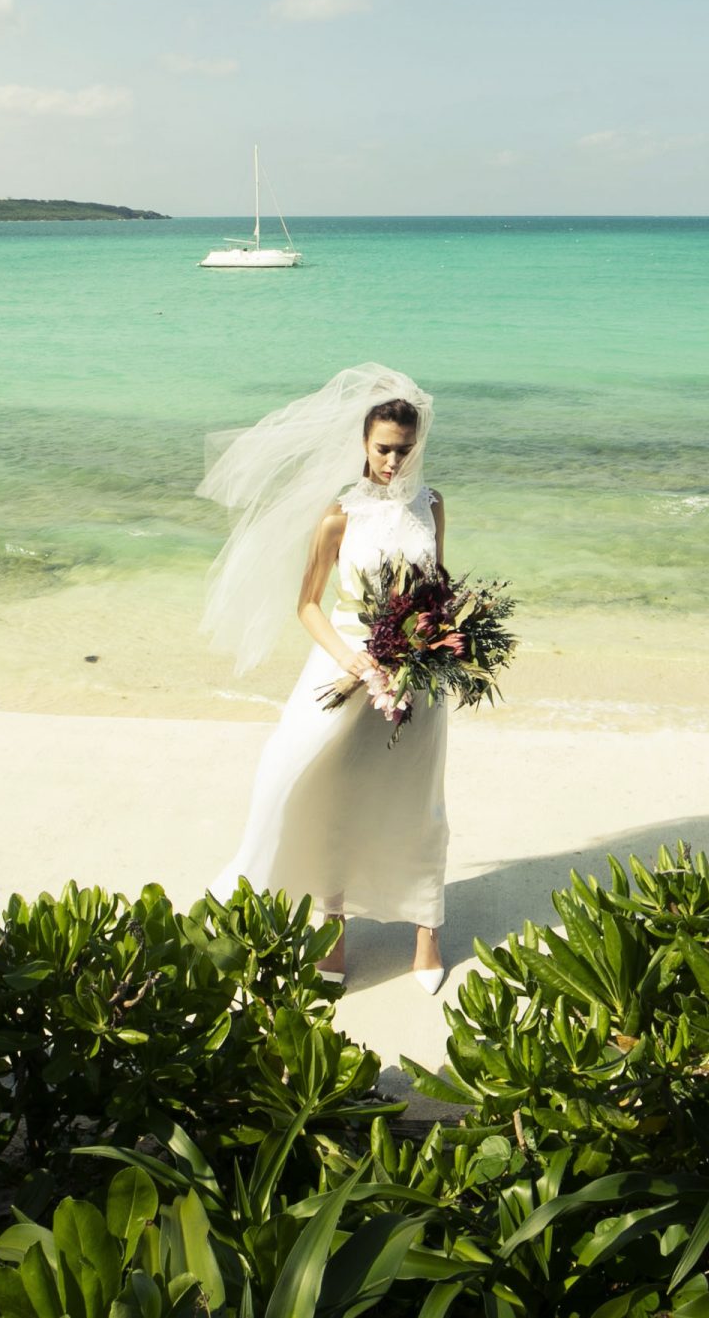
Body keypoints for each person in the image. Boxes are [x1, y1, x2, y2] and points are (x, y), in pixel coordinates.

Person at [203, 364, 452, 991]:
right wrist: (353, 658)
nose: (394, 462)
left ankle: (427, 931)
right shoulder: (340, 514)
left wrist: (441, 639)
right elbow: (308, 604)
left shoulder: (432, 505)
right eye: (383, 449)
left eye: (404, 449)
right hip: (350, 666)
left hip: (417, 675)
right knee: (313, 782)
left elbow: (438, 588)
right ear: (363, 446)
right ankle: (333, 928)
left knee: (416, 798)